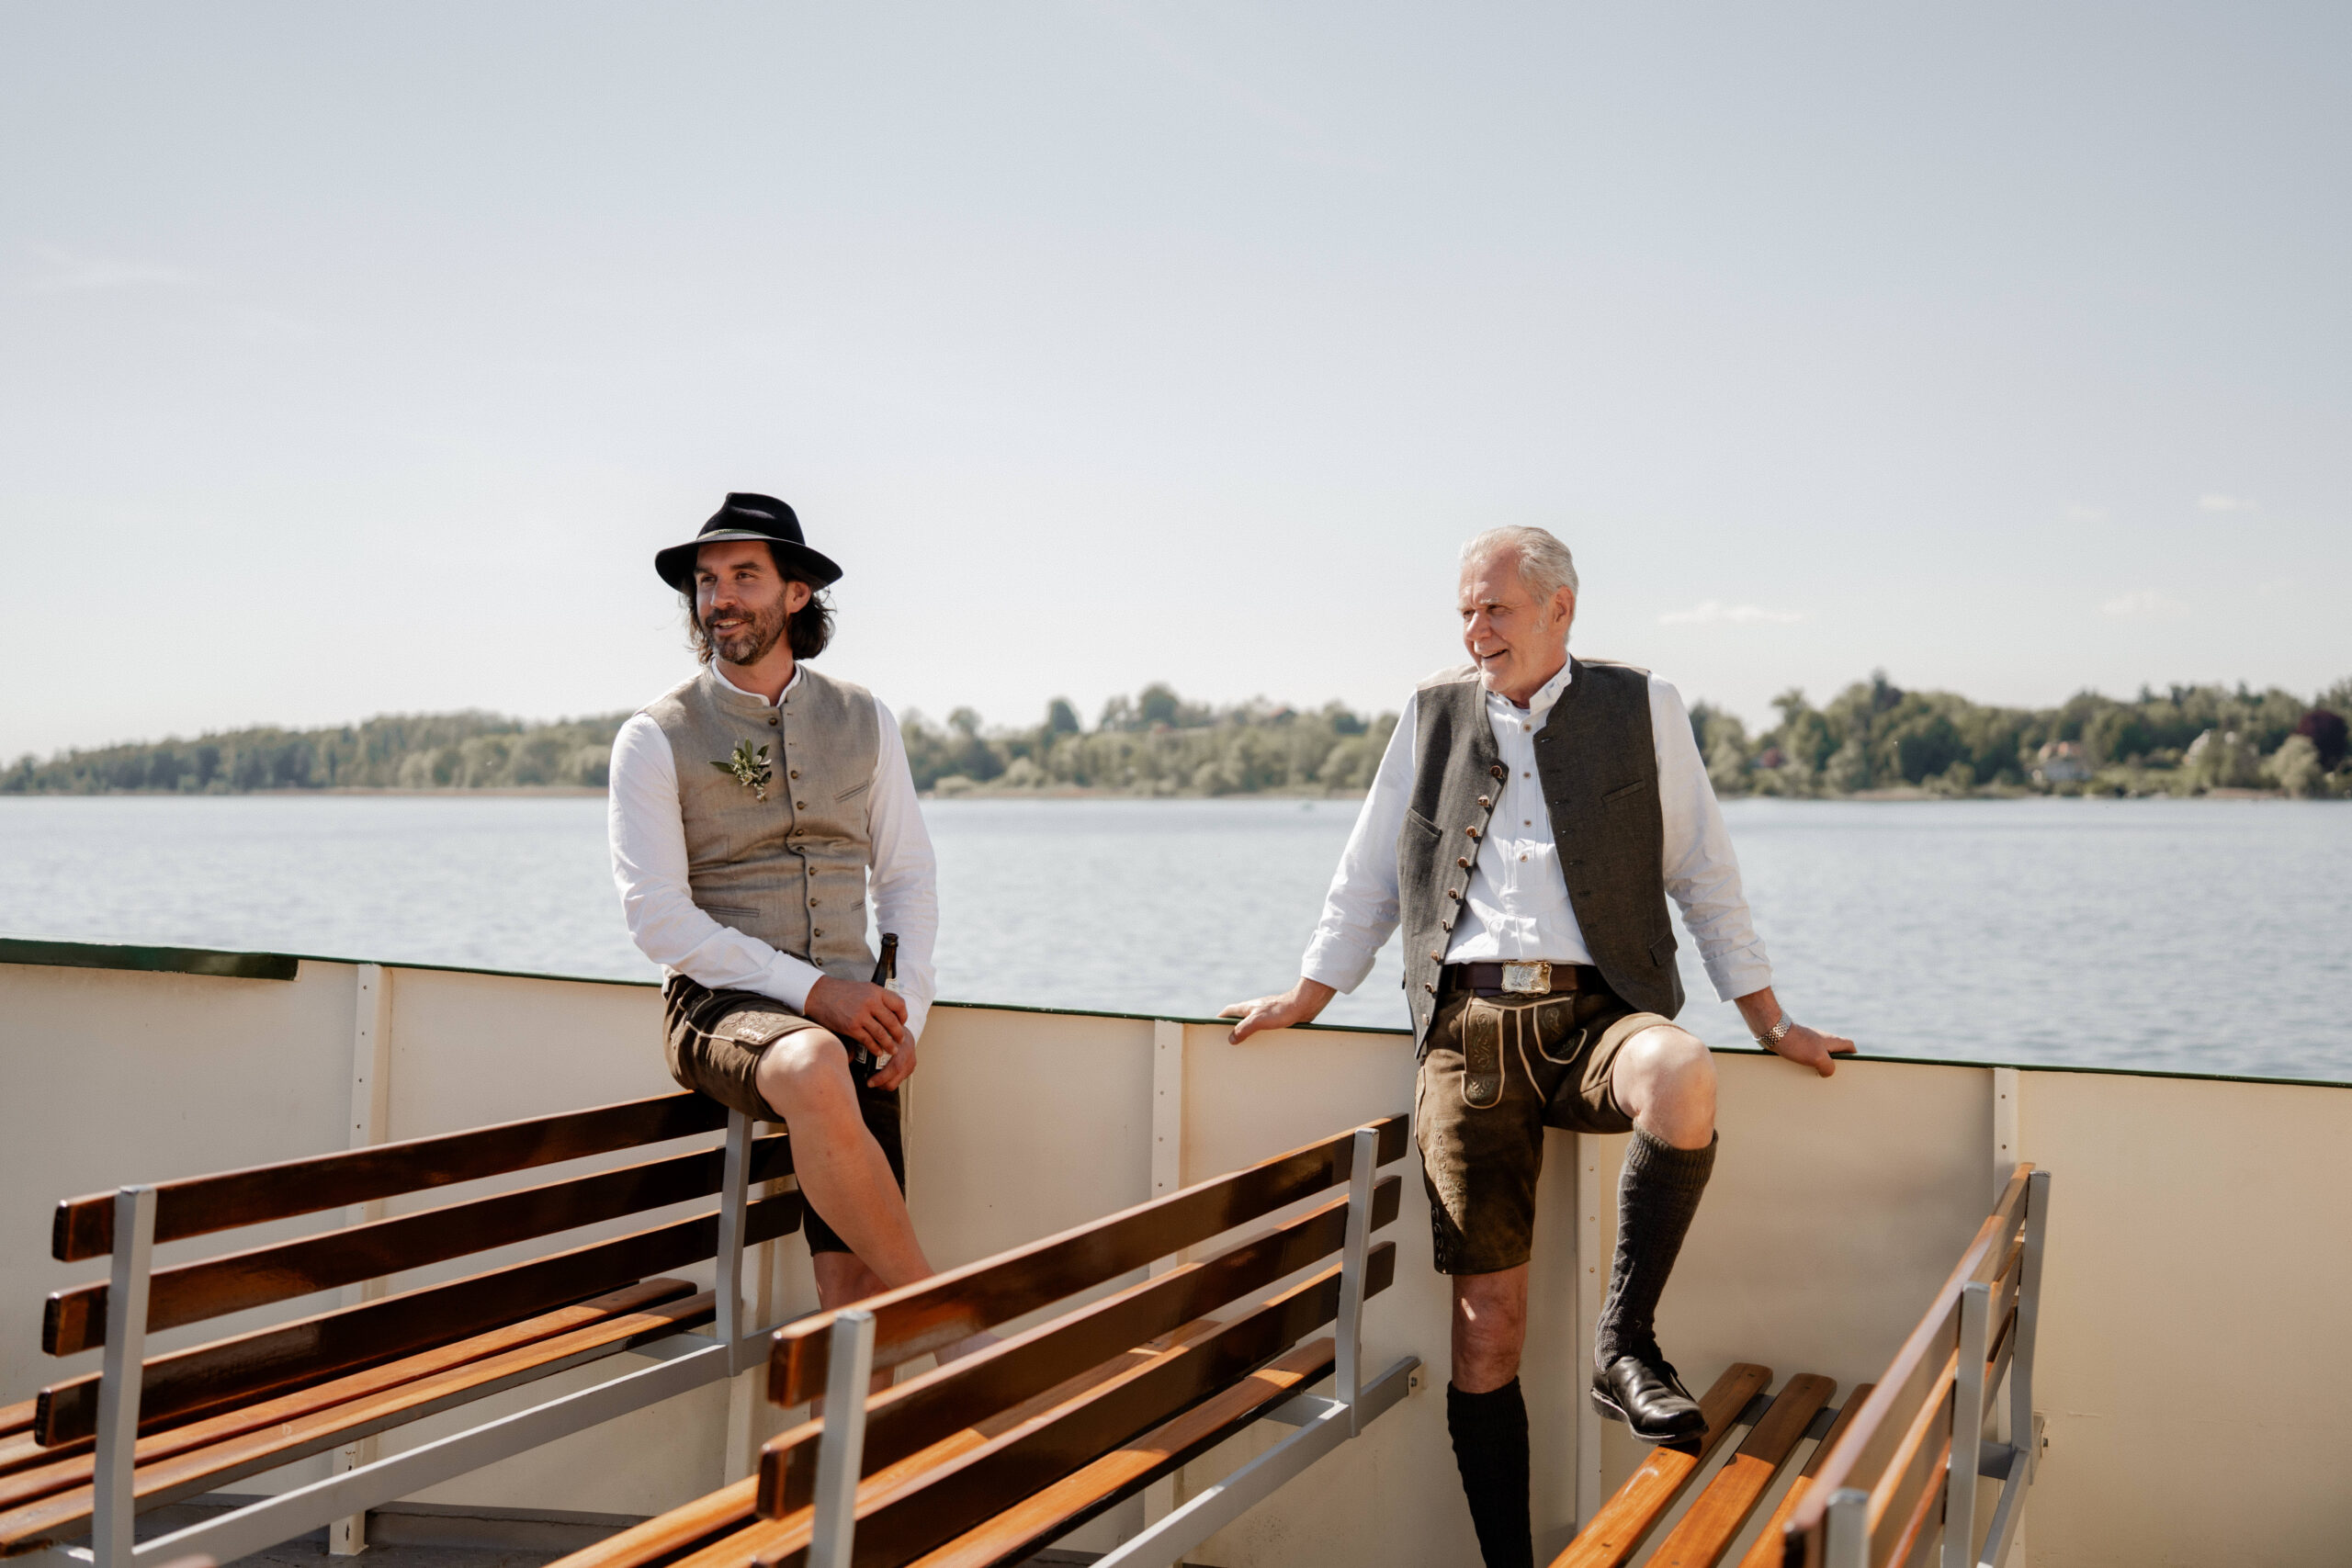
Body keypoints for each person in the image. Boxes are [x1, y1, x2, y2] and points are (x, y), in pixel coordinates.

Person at [1221, 525, 1854, 1568]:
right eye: (1466, 611)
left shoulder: (1644, 705)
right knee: (1486, 1328)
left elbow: (1705, 873)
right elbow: (1369, 874)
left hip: (1601, 1014)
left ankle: (1624, 1343)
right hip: (1466, 1032)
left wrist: (1770, 1022)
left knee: (1682, 1072)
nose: (1476, 631)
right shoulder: (1429, 713)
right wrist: (1306, 994)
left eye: (1496, 609)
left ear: (1561, 608)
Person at [608, 491, 943, 1314]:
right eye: (706, 579)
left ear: (797, 593)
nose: (719, 597)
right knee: (813, 1058)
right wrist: (815, 993)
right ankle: (948, 1312)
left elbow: (907, 875)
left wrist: (907, 1011)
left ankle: (890, 1377)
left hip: (855, 1010)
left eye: (743, 576)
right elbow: (657, 918)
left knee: (856, 1289)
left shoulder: (866, 719)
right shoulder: (654, 736)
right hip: (715, 1004)